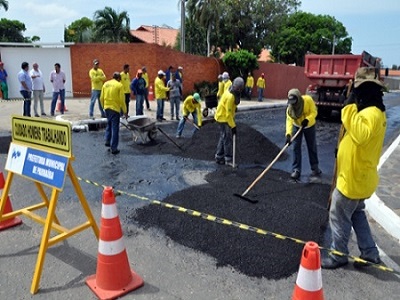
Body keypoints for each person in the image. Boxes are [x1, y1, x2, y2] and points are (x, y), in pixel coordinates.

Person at [322, 67, 387, 269]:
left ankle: (339, 254)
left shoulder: (372, 113)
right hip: (358, 176)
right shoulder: (372, 111)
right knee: (357, 213)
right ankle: (370, 252)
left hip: (354, 178)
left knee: (338, 212)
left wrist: (349, 106)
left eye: (357, 91)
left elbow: (360, 134)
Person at [285, 88, 321, 180]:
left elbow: (314, 112)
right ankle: (296, 170)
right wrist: (288, 134)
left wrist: (307, 119)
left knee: (311, 146)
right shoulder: (290, 108)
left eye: (294, 101)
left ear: (298, 98)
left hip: (309, 126)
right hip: (297, 126)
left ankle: (315, 167)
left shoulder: (308, 100)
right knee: (296, 147)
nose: (293, 104)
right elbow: (289, 120)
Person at [214, 77, 244, 166]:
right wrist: (233, 126)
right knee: (227, 138)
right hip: (223, 118)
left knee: (223, 136)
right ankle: (228, 159)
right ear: (239, 88)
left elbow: (231, 107)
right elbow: (228, 115)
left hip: (221, 115)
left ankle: (219, 156)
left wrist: (235, 108)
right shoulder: (230, 96)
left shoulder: (230, 89)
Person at [100, 72, 127, 155]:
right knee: (115, 128)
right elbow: (122, 100)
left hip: (107, 108)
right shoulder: (119, 85)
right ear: (119, 78)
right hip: (115, 109)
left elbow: (101, 98)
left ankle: (107, 140)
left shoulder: (106, 84)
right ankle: (114, 148)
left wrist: (103, 107)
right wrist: (125, 111)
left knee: (109, 124)